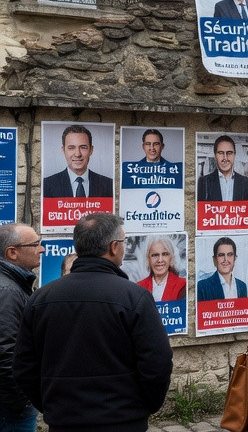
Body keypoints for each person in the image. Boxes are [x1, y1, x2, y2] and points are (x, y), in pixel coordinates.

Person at [14, 212, 171, 432]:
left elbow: (23, 366)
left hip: (65, 420)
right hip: (123, 420)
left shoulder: (41, 298)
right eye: (123, 243)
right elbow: (158, 363)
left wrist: (51, 405)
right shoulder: (135, 297)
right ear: (114, 247)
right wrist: (144, 406)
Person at [0, 224, 41, 432]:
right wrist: (21, 403)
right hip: (12, 411)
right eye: (35, 244)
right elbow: (6, 353)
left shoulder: (13, 284)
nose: (41, 249)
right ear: (12, 252)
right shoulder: (7, 290)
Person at [41, 124, 113, 198]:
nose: (77, 154)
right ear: (63, 150)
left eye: (83, 147)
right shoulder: (47, 185)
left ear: (91, 150)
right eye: (71, 148)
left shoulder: (108, 184)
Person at [195, 134, 248, 202]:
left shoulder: (245, 182)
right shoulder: (203, 182)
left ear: (234, 154)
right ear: (215, 155)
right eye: (220, 153)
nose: (225, 158)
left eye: (229, 153)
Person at [195, 236, 248, 302]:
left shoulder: (242, 286)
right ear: (214, 259)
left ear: (235, 258)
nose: (226, 259)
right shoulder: (203, 287)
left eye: (230, 255)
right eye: (221, 255)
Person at [137, 235, 186, 302]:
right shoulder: (139, 287)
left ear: (171, 258)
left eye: (165, 254)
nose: (160, 260)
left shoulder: (182, 285)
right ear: (148, 259)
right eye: (155, 255)